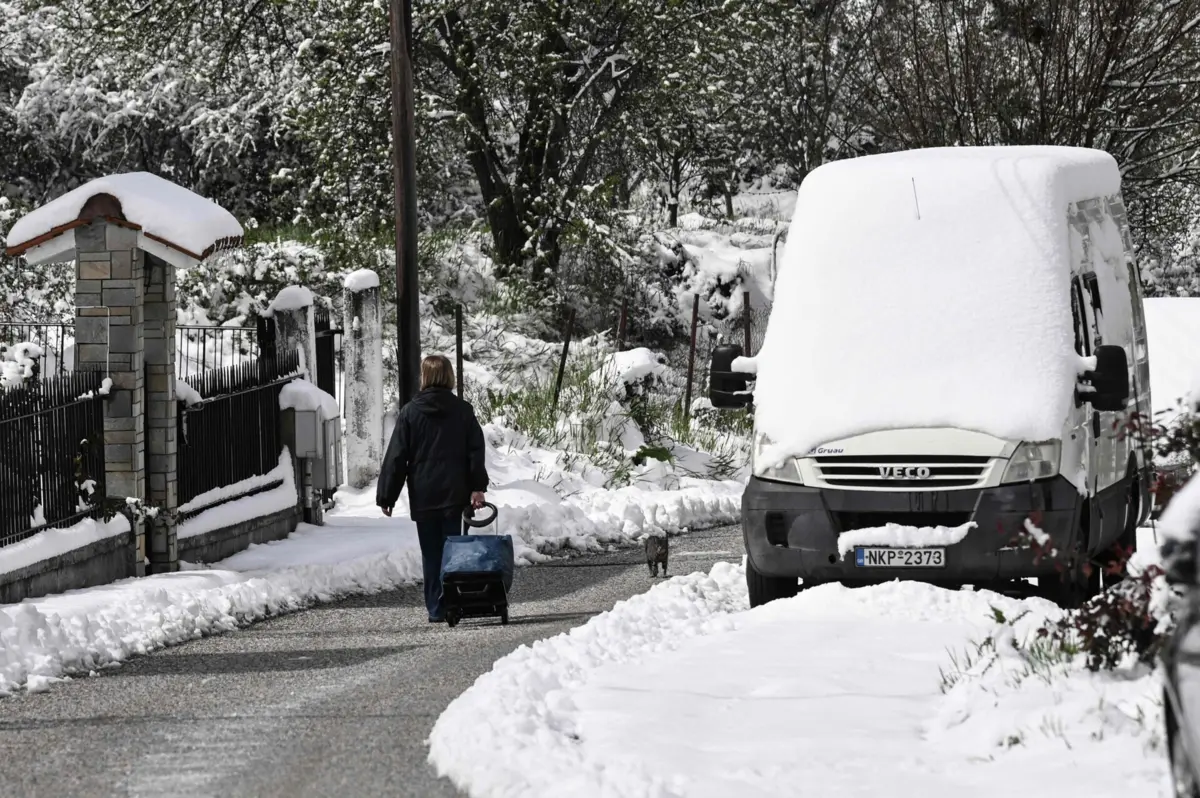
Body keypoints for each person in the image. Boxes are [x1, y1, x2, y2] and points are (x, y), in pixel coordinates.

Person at [377, 355, 488, 623]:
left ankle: (436, 609)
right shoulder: (463, 411)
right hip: (456, 494)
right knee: (455, 550)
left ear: (424, 377)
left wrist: (387, 495)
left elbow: (396, 457)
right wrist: (477, 488)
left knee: (431, 553)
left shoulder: (410, 413)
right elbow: (475, 452)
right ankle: (455, 602)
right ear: (449, 376)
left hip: (424, 495)